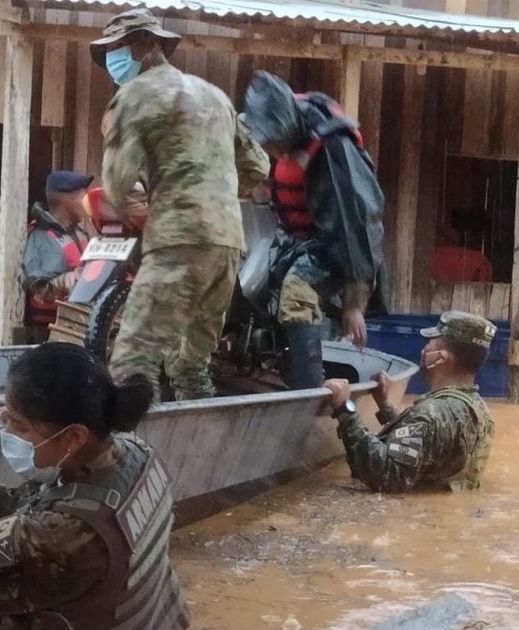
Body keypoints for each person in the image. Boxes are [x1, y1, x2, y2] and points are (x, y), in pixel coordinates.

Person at [0, 342, 189, 630]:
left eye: (19, 426)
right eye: (7, 418)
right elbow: (56, 497)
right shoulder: (136, 452)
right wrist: (19, 423)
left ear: (73, 437)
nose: (8, 432)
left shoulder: (56, 534)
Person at [91, 9, 270, 400]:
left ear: (146, 44)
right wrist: (213, 194)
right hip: (227, 246)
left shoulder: (134, 96)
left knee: (131, 366)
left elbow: (118, 185)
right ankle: (201, 452)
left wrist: (151, 202)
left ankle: (130, 454)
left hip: (178, 240)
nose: (110, 61)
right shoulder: (215, 97)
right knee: (191, 367)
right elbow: (258, 165)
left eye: (116, 49)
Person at [243, 71, 388, 388]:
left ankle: (307, 393)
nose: (275, 151)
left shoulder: (334, 148)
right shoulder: (257, 129)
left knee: (296, 296)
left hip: (334, 244)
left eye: (278, 145)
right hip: (289, 238)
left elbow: (358, 227)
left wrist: (354, 303)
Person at [324, 311, 496, 493]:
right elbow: (428, 447)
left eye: (430, 343)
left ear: (441, 358)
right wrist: (386, 406)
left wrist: (346, 409)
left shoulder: (432, 414)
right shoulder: (477, 407)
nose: (424, 349)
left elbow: (386, 476)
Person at [22, 171, 94, 330]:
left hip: (79, 328)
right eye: (83, 196)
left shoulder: (80, 233)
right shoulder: (42, 238)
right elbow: (38, 290)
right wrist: (65, 281)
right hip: (50, 333)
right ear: (66, 201)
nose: (88, 202)